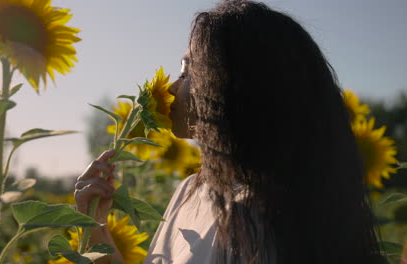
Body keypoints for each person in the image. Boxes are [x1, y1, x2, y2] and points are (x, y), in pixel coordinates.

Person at [74, 1, 383, 263]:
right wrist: (96, 226)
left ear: (233, 84)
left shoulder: (262, 219)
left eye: (188, 69)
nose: (171, 87)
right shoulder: (191, 191)